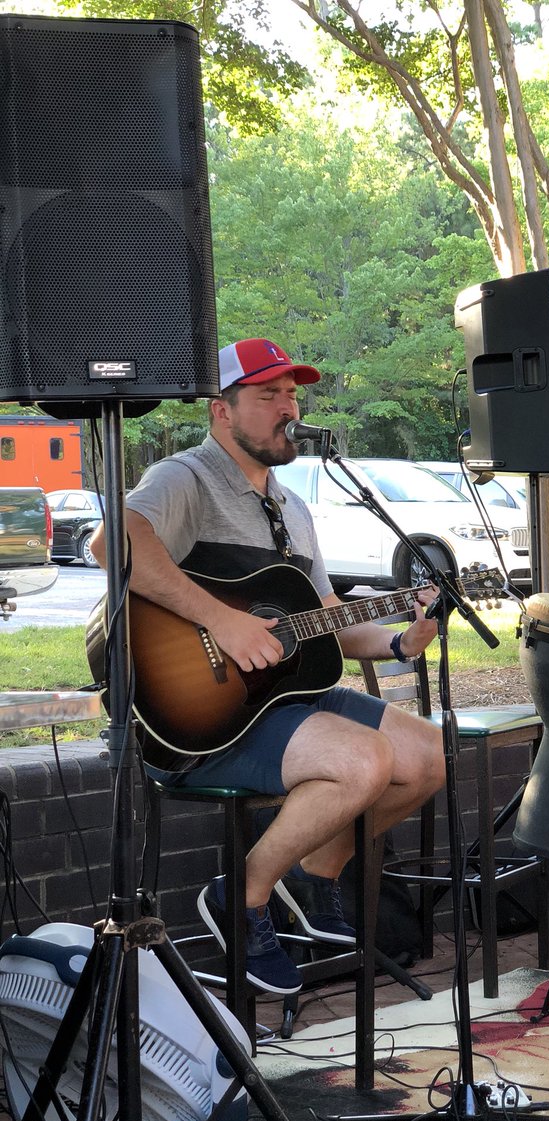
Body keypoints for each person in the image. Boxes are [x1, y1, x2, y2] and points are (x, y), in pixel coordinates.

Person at [90, 337, 445, 994]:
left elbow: (329, 619)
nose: (288, 407)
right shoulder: (185, 479)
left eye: (291, 392)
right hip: (194, 721)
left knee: (425, 756)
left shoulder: (294, 508)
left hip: (277, 703)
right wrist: (219, 619)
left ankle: (316, 874)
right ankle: (243, 896)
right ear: (220, 412)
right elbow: (112, 542)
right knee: (364, 760)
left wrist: (401, 640)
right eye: (267, 394)